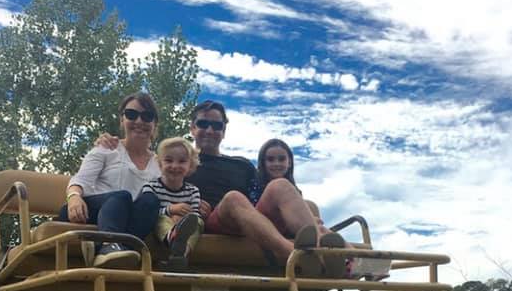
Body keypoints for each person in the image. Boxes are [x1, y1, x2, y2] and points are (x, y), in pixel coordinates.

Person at [94, 100, 346, 275]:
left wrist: (308, 217)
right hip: (213, 220)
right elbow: (143, 164)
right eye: (203, 124)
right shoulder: (178, 161)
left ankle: (335, 256)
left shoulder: (241, 165)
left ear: (224, 130)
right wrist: (110, 142)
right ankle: (292, 255)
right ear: (192, 127)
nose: (210, 130)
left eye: (217, 125)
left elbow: (262, 197)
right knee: (234, 198)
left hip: (251, 219)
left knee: (280, 185)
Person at [61, 93, 163, 270]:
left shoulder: (160, 163)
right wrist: (74, 197)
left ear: (154, 124)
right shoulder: (107, 148)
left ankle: (117, 253)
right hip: (90, 211)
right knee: (122, 197)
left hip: (131, 220)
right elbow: (81, 179)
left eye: (147, 116)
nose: (139, 121)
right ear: (122, 120)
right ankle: (107, 246)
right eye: (131, 114)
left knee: (151, 201)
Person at [140, 137, 204, 267]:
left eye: (182, 161)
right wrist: (170, 211)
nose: (175, 166)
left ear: (190, 166)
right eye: (168, 160)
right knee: (160, 219)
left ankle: (181, 252)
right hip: (161, 228)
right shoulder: (151, 187)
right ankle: (173, 238)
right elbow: (147, 213)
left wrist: (182, 220)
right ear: (160, 164)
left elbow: (196, 213)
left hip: (184, 224)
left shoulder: (193, 191)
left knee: (198, 221)